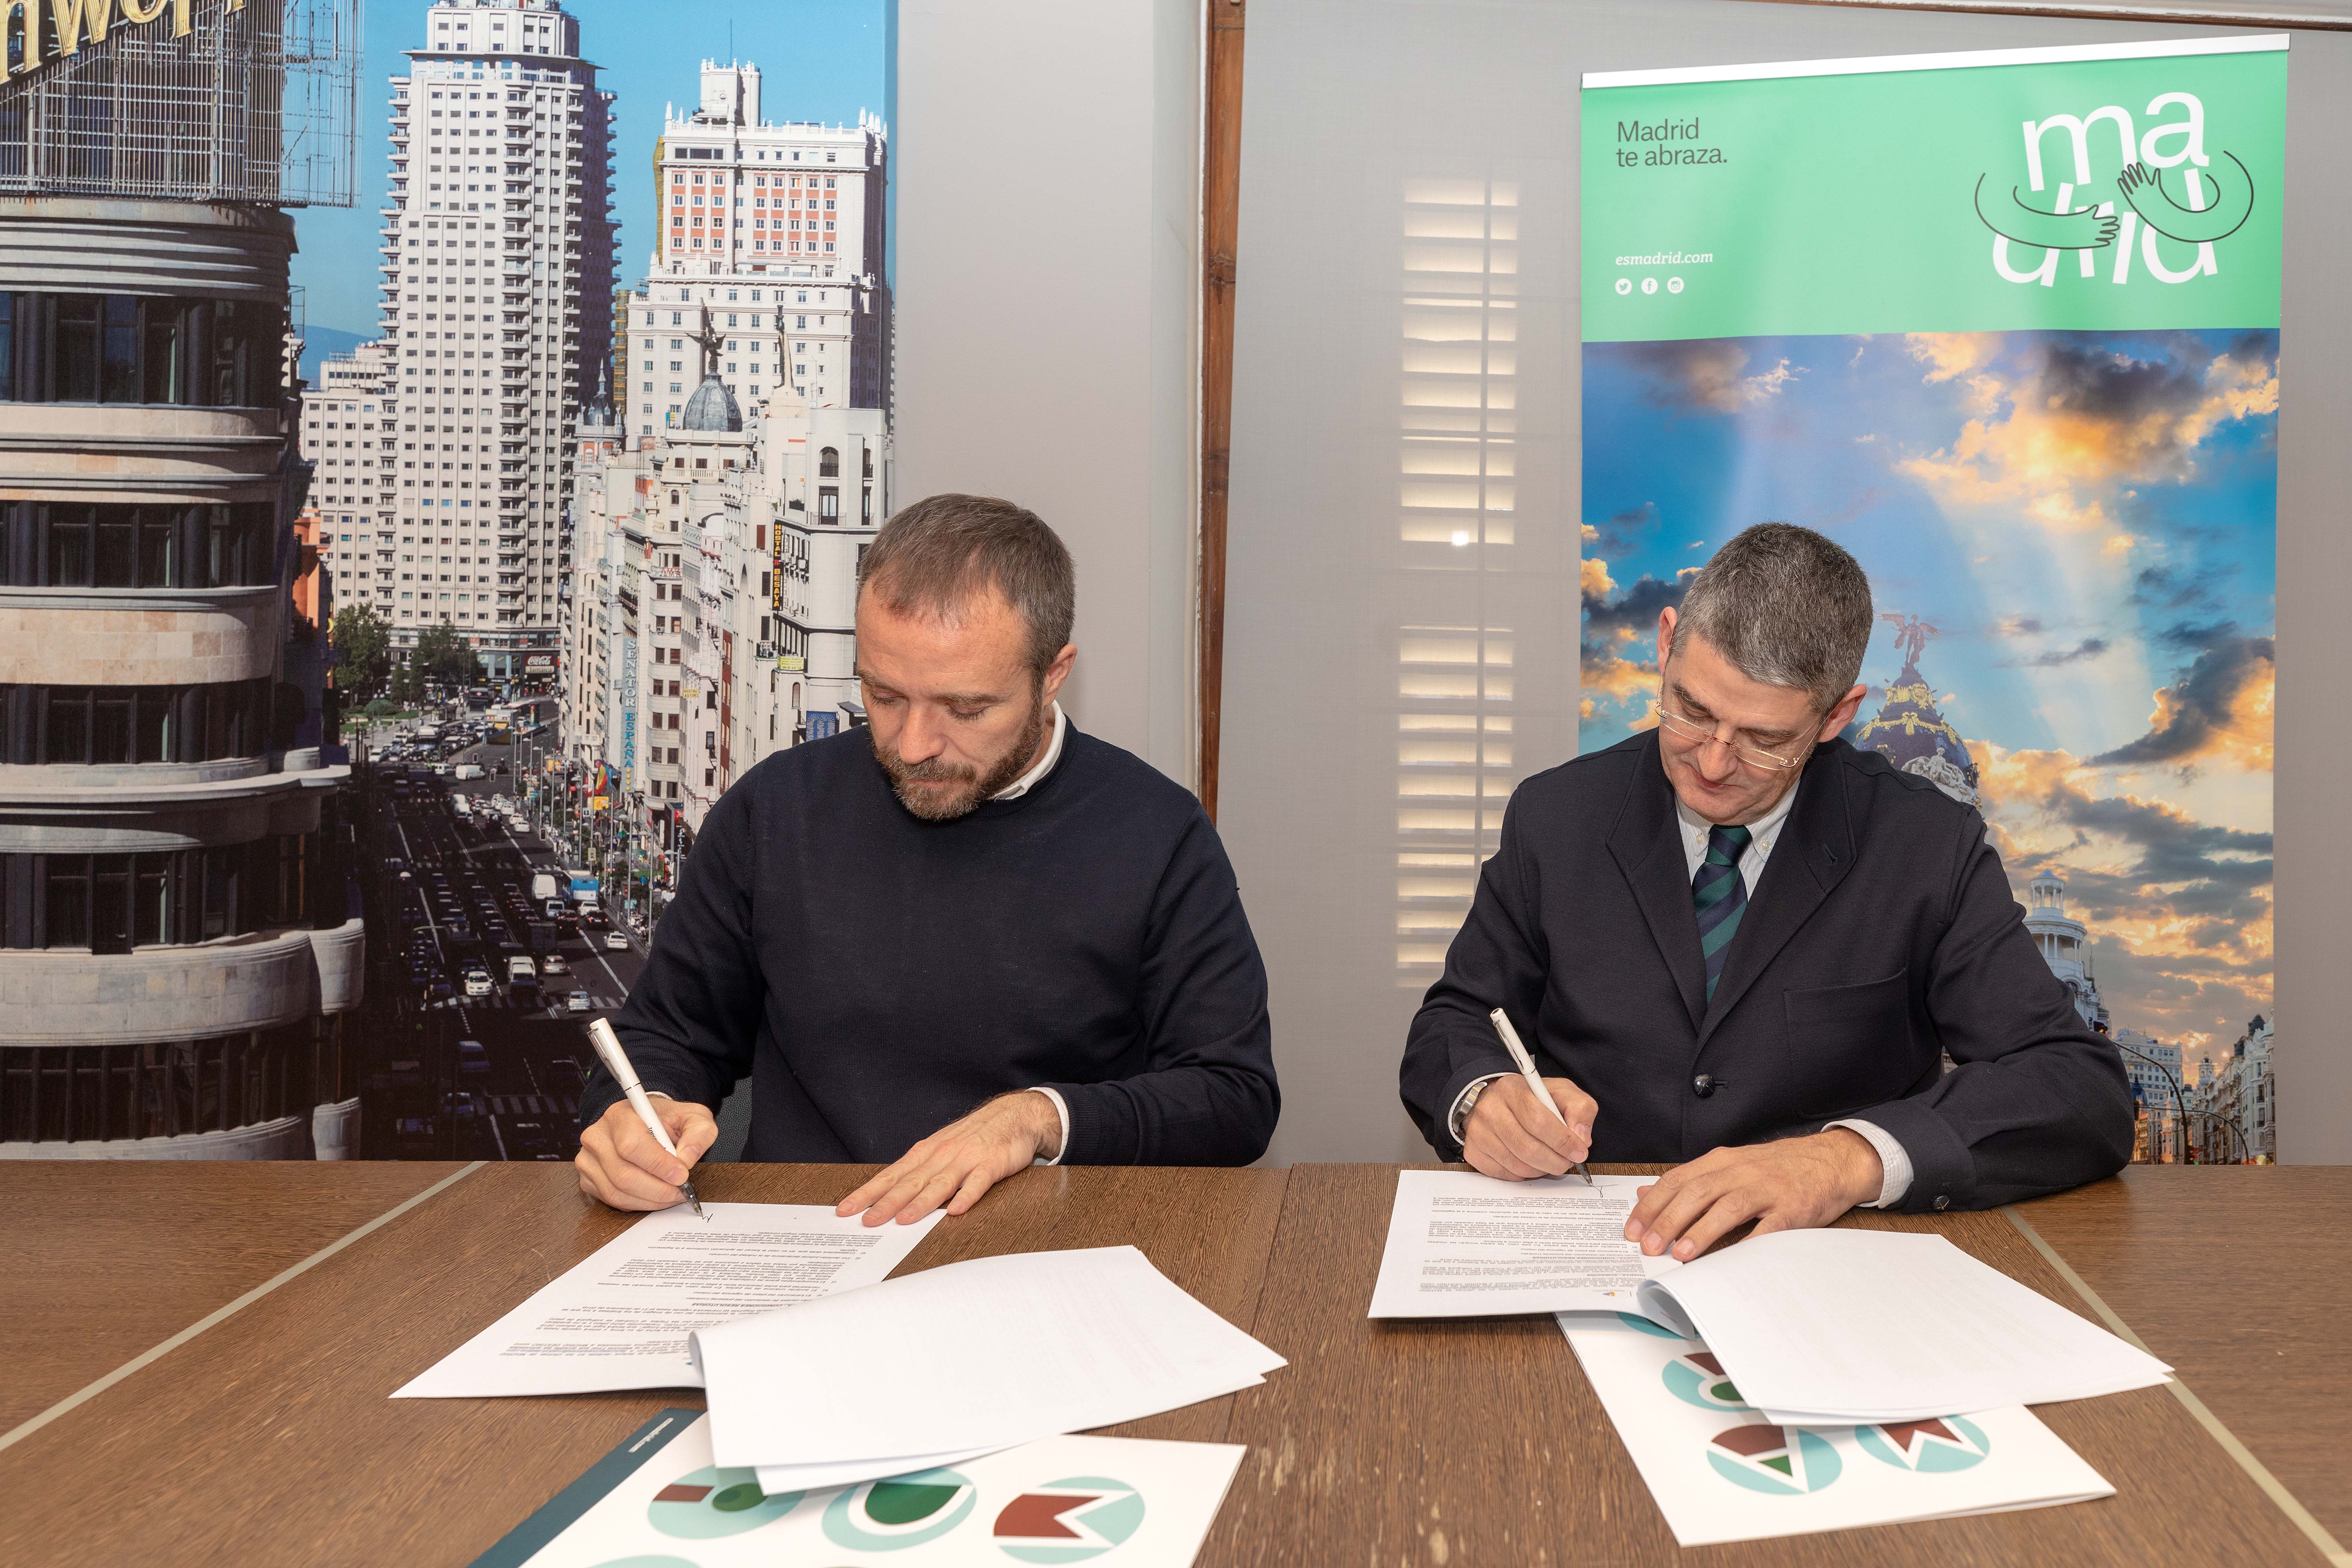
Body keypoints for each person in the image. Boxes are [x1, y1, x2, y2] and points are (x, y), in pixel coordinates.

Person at [1399, 523, 2132, 1261]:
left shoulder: (1925, 845)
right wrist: (1482, 1098)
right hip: (1597, 1248)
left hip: (1828, 1261)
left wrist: (1846, 1159)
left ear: (1837, 714)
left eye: (1765, 739)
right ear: (1666, 642)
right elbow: (1454, 1021)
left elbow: (2079, 1088)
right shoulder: (1555, 816)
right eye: (1691, 710)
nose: (1713, 763)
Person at [577, 494, 1279, 1223]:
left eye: (965, 709)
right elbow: (665, 1035)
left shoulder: (1155, 831)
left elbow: (1235, 1096)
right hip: (810, 1238)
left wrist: (1040, 1118)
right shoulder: (777, 809)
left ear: (1053, 674)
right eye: (883, 695)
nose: (913, 746)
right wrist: (641, 1112)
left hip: (1044, 1249)